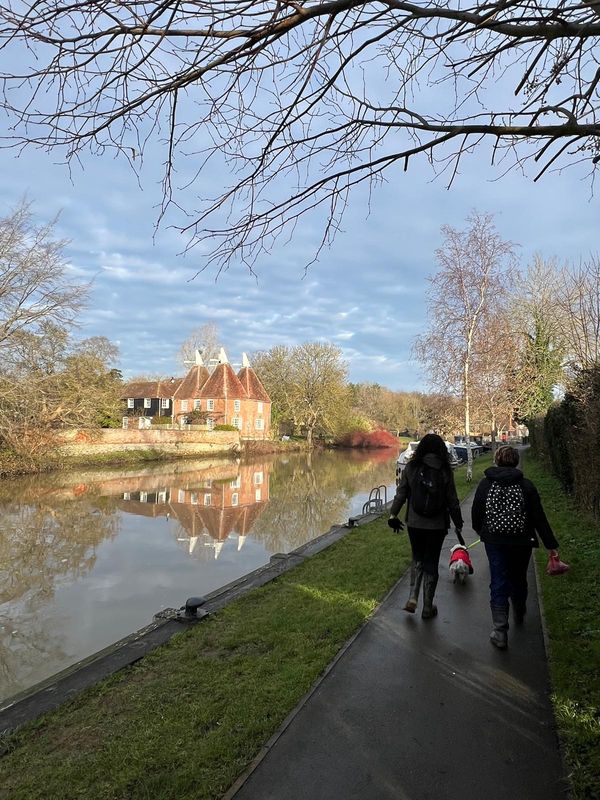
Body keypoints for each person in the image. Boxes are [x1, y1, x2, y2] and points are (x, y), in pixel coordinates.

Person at [471, 445, 560, 649]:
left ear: (497, 460)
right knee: (518, 577)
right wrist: (551, 545)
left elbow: (476, 512)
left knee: (498, 579)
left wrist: (481, 531)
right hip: (521, 540)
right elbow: (539, 518)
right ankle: (519, 609)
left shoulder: (485, 484)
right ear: (516, 461)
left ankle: (500, 631)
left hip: (494, 541)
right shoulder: (526, 485)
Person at [388, 433, 464, 619]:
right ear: (441, 449)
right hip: (437, 525)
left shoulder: (411, 467)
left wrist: (393, 514)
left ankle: (413, 596)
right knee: (431, 562)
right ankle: (428, 607)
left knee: (418, 558)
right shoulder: (445, 470)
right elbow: (452, 501)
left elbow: (401, 493)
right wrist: (458, 523)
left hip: (415, 523)